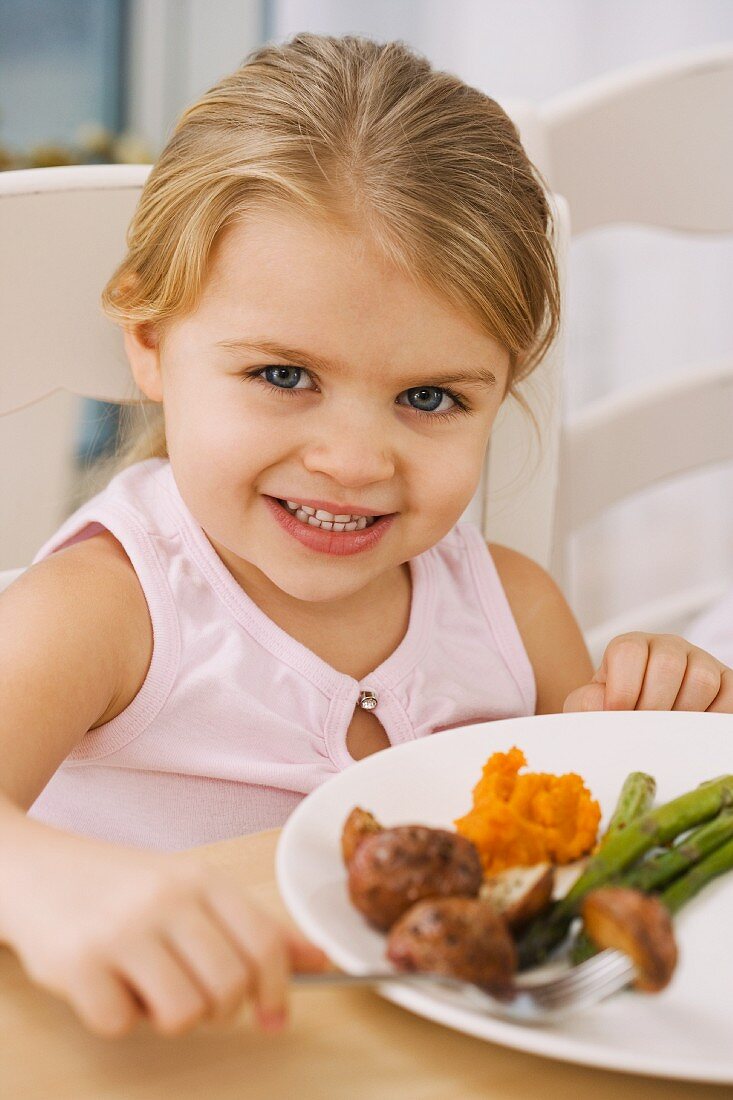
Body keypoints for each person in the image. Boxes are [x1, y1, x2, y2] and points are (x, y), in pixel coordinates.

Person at [0, 33, 730, 1042]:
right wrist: (36, 879)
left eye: (428, 396)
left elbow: (604, 861)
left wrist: (671, 718)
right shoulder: (111, 607)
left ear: (500, 391)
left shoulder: (515, 613)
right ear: (151, 340)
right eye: (285, 375)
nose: (353, 460)